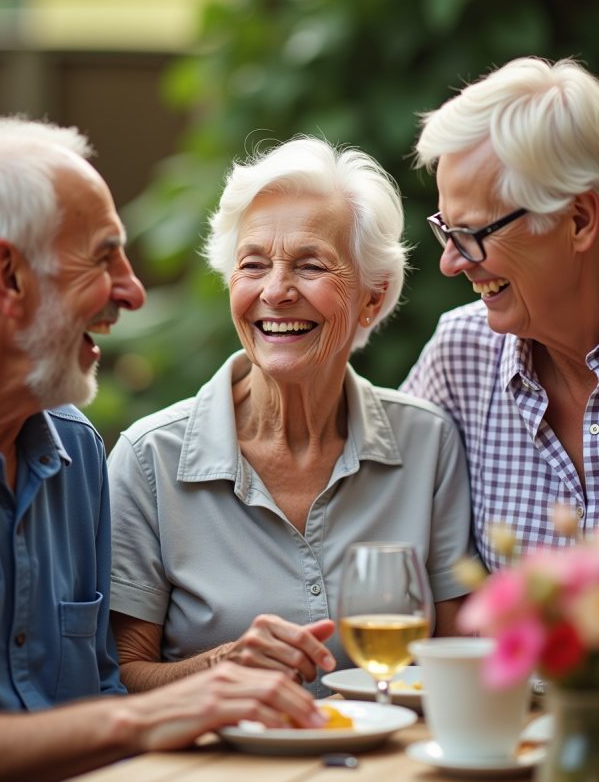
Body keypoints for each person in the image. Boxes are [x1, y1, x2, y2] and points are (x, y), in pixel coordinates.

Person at [0, 117, 322, 782]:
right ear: (9, 277)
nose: (132, 290)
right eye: (103, 256)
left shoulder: (75, 451)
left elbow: (99, 692)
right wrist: (148, 716)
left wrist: (205, 688)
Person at [108, 136, 473, 696]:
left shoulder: (428, 443)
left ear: (372, 298)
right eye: (253, 265)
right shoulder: (149, 458)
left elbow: (456, 660)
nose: (275, 291)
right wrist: (219, 667)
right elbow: (117, 677)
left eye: (310, 265)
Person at [400, 56, 599, 572]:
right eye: (446, 230)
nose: (450, 262)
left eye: (471, 233)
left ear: (578, 219)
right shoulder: (461, 357)